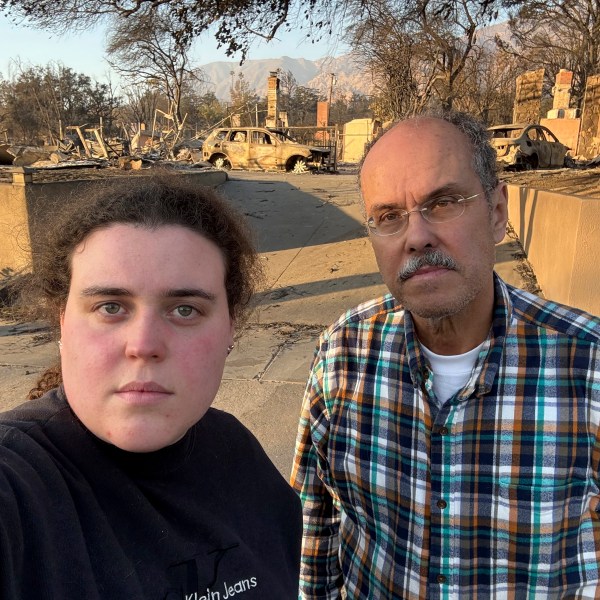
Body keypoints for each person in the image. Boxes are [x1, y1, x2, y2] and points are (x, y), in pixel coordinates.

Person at [290, 111, 600, 598]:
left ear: (497, 212)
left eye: (444, 202)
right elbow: (316, 529)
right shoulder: (343, 355)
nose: (416, 237)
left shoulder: (588, 366)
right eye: (389, 217)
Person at [0, 174, 302, 599]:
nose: (143, 345)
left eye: (184, 309)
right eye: (110, 307)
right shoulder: (18, 484)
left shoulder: (236, 453)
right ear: (62, 322)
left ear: (231, 328)